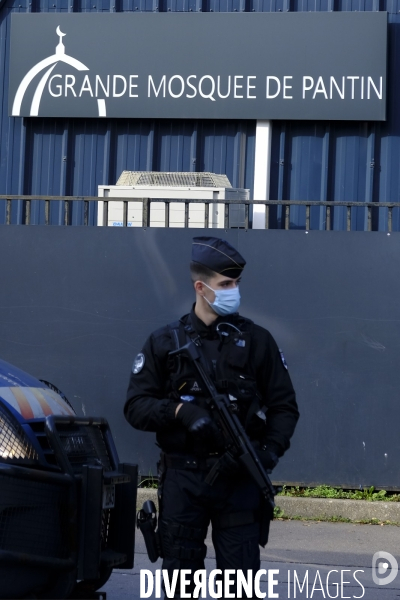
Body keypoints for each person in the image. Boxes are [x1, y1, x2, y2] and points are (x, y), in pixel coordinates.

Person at [124, 236, 299, 598]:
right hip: (183, 480)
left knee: (239, 585)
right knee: (181, 584)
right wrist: (178, 410)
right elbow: (135, 406)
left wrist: (268, 453)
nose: (234, 291)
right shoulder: (165, 343)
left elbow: (284, 407)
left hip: (238, 482)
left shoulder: (257, 341)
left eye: (235, 283)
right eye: (225, 284)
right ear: (201, 288)